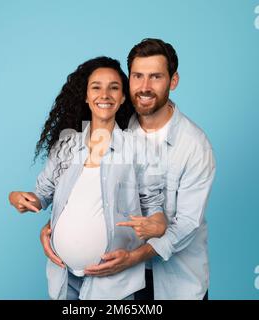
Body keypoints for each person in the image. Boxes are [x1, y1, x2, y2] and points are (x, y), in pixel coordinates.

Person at [41, 39, 216, 300]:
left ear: (173, 81)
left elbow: (187, 225)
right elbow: (89, 192)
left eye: (156, 77)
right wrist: (55, 228)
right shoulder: (116, 125)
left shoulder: (194, 146)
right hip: (117, 284)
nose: (145, 87)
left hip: (174, 284)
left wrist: (134, 257)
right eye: (137, 76)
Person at [9, 56, 166, 300]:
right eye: (96, 87)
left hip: (113, 284)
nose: (105, 94)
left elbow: (155, 211)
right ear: (85, 96)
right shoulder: (67, 144)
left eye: (114, 88)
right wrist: (18, 197)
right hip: (63, 276)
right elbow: (42, 195)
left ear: (123, 97)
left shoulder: (138, 149)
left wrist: (155, 225)